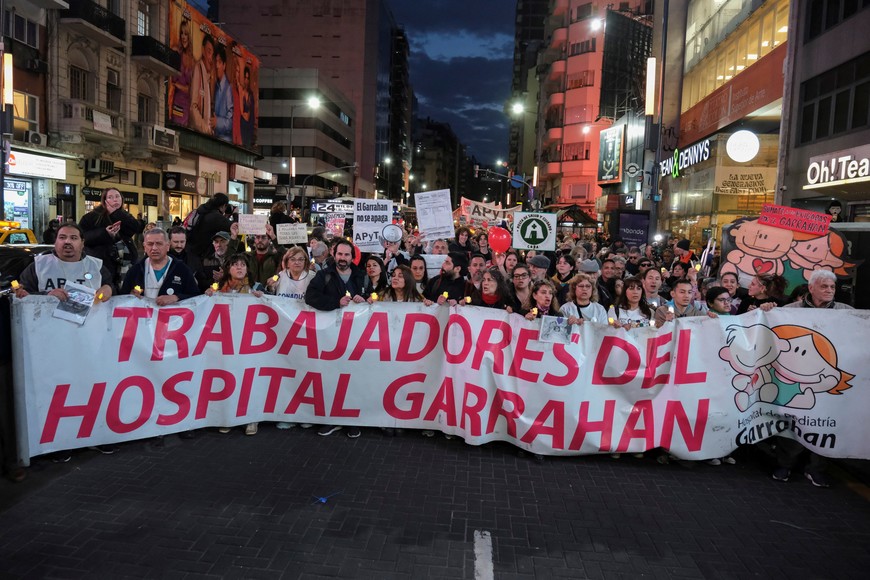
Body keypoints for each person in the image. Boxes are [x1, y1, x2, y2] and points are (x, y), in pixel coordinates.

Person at [765, 270, 853, 487]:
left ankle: (816, 468)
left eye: (832, 287)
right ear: (811, 288)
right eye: (824, 286)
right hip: (797, 378)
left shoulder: (847, 313)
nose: (830, 291)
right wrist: (766, 311)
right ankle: (785, 464)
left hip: (827, 380)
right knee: (794, 421)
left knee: (824, 423)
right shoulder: (790, 312)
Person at [304, 239, 365, 438]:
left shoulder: (361, 276)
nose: (343, 258)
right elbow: (311, 297)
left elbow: (374, 298)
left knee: (353, 379)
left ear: (351, 257)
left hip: (356, 337)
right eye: (340, 254)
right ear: (334, 253)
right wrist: (335, 303)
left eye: (347, 255)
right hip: (329, 337)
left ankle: (351, 420)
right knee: (331, 378)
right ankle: (331, 419)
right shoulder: (324, 275)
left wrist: (365, 300)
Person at [204, 254, 263, 435]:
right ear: (228, 269)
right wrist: (207, 297)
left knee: (249, 381)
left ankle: (251, 418)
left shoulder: (256, 289)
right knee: (227, 380)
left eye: (243, 265)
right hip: (226, 344)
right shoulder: (218, 290)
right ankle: (228, 416)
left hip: (249, 344)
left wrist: (262, 298)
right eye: (235, 265)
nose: (239, 268)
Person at [15, 223, 112, 300]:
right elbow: (24, 295)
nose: (67, 242)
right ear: (55, 241)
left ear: (82, 243)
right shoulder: (38, 266)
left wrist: (109, 289)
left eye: (73, 238)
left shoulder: (97, 266)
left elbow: (113, 291)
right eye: (62, 237)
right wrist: (47, 295)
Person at [79, 187, 140, 288]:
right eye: (110, 197)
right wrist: (105, 233)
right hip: (101, 262)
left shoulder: (124, 215)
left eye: (117, 196)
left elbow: (135, 227)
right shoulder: (91, 217)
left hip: (124, 260)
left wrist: (116, 213)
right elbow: (83, 237)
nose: (115, 199)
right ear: (104, 200)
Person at [120, 228, 200, 305]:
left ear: (168, 246)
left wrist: (176, 297)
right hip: (144, 318)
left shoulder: (182, 269)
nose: (154, 248)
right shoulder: (135, 271)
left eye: (159, 244)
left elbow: (196, 296)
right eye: (150, 244)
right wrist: (130, 295)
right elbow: (122, 298)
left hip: (173, 317)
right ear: (144, 247)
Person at [186, 192, 233, 259]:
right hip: (203, 254)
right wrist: (235, 214)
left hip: (191, 249)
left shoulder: (201, 211)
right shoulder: (215, 216)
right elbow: (233, 227)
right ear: (223, 206)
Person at [170, 18, 195, 126]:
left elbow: (192, 89)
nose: (183, 37)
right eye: (181, 33)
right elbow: (170, 78)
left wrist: (177, 85)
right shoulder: (176, 52)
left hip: (186, 104)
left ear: (189, 36)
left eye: (186, 34)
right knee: (176, 127)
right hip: (176, 101)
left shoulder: (192, 61)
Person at [168, 226, 207, 291]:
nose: (179, 245)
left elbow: (201, 280)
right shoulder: (162, 257)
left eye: (182, 242)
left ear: (186, 241)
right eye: (176, 242)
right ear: (169, 241)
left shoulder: (194, 258)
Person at [190, 34, 215, 134]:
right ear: (203, 50)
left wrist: (210, 129)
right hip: (196, 132)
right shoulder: (198, 69)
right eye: (209, 51)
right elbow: (193, 107)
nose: (210, 57)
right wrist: (205, 128)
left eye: (212, 53)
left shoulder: (208, 76)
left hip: (205, 134)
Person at [212, 43, 233, 141]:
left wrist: (218, 123)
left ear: (224, 65)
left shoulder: (228, 89)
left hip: (226, 142)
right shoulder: (216, 86)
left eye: (219, 62)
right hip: (215, 140)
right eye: (215, 62)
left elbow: (231, 122)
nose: (216, 66)